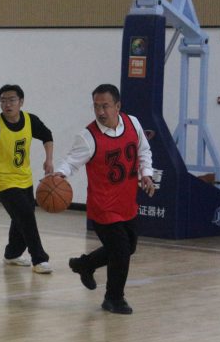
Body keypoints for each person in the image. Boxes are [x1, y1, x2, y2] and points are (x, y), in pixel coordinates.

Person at [54, 84, 155, 315]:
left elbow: (144, 151)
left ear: (117, 106)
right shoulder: (88, 137)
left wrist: (146, 174)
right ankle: (114, 299)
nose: (100, 111)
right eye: (96, 106)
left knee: (128, 247)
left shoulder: (133, 123)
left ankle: (85, 265)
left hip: (127, 202)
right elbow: (71, 161)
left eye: (105, 106)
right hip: (103, 207)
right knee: (120, 251)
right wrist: (59, 174)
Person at [0, 84, 55, 274]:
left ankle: (12, 254)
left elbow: (47, 136)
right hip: (3, 180)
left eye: (12, 100)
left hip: (24, 178)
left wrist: (49, 159)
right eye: (3, 100)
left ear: (21, 102)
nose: (7, 104)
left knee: (21, 217)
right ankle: (39, 259)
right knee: (26, 215)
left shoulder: (30, 120)